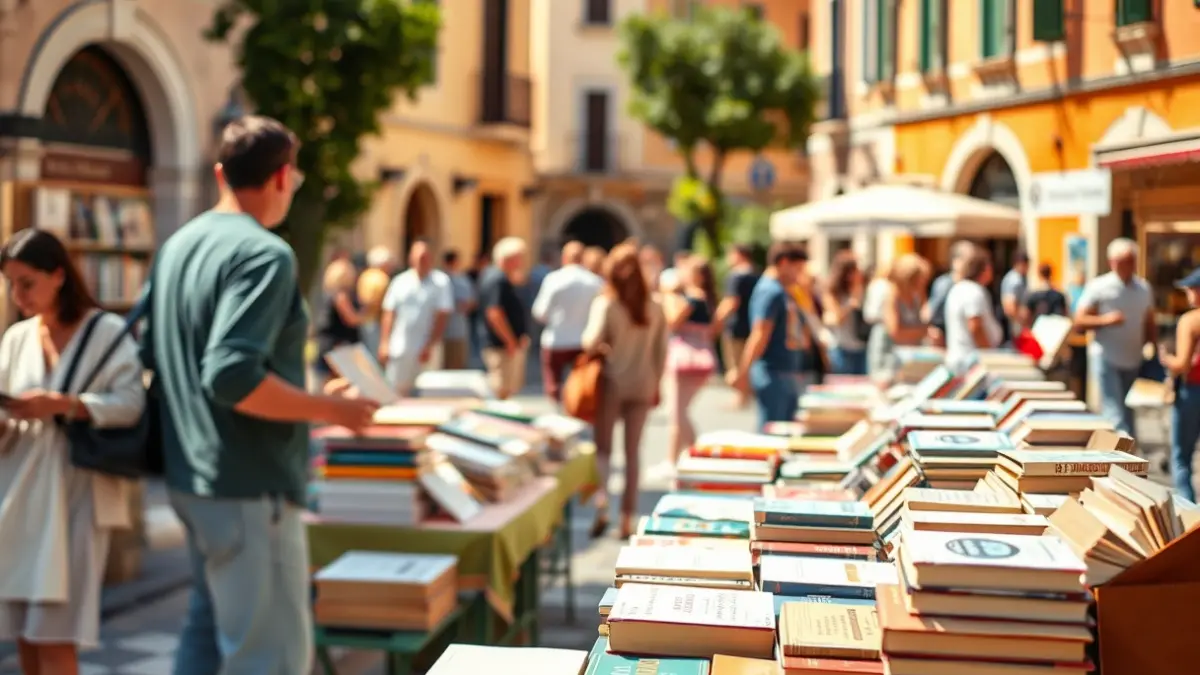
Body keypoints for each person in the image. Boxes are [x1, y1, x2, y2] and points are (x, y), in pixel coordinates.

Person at [145, 115, 378, 675]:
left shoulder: (178, 245)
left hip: (192, 477)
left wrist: (311, 395)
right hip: (250, 487)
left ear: (222, 173)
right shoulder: (264, 254)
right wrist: (333, 409)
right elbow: (230, 376)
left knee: (206, 635)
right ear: (281, 178)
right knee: (270, 658)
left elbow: (171, 357)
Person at [0, 229, 143, 675]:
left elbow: (131, 405)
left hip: (77, 492)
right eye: (10, 283)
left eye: (27, 282)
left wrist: (66, 404)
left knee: (56, 634)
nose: (16, 293)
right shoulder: (17, 337)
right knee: (23, 630)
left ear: (58, 275)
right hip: (19, 494)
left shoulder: (106, 331)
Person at [581, 243, 667, 540]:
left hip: (612, 384)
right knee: (633, 454)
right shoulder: (655, 306)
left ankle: (602, 505)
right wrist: (657, 384)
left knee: (603, 450)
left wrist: (605, 345)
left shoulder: (606, 304)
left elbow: (589, 342)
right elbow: (661, 353)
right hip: (643, 385)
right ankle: (627, 519)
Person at [1073, 237, 1155, 437]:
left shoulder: (1144, 288)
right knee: (1114, 412)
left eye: (1129, 260)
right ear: (1112, 262)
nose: (1126, 265)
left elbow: (1149, 321)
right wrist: (1105, 321)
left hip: (1132, 359)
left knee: (1126, 410)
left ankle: (1129, 458)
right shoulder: (1099, 286)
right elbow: (1079, 320)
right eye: (1121, 260)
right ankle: (1120, 456)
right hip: (1106, 357)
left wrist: (1152, 346)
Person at [730, 243, 807, 430]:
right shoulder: (769, 291)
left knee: (783, 431)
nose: (799, 275)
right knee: (772, 433)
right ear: (783, 263)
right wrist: (743, 371)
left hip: (784, 371)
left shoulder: (781, 290)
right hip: (773, 371)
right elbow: (759, 334)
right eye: (797, 269)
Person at [660, 257, 719, 472]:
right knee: (678, 412)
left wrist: (668, 294)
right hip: (697, 358)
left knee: (677, 412)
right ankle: (672, 459)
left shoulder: (694, 298)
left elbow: (672, 321)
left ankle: (697, 453)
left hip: (686, 358)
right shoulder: (705, 298)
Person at [378, 239, 454, 395]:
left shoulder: (440, 282)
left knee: (428, 391)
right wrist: (384, 342)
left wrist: (431, 344)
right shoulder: (400, 281)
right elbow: (389, 313)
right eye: (418, 257)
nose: (422, 261)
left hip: (426, 348)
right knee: (396, 389)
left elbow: (442, 315)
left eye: (425, 257)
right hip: (401, 346)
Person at [532, 241, 602, 405]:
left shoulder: (554, 279)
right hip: (583, 341)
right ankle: (576, 411)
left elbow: (540, 312)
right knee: (580, 383)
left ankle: (558, 414)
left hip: (556, 339)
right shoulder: (595, 282)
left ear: (564, 258)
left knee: (554, 384)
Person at [1159, 267, 1200, 502]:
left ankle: (1190, 513)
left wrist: (1166, 359)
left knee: (1181, 457)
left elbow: (1183, 364)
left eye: (1189, 289)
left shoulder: (1190, 320)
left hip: (1192, 391)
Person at [478, 237, 531, 399]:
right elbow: (494, 313)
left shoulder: (496, 277)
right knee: (501, 392)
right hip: (502, 346)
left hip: (502, 344)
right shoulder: (498, 280)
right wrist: (510, 341)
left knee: (505, 391)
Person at [866, 253, 930, 383]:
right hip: (888, 356)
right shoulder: (891, 295)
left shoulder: (915, 295)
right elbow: (896, 332)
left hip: (907, 356)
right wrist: (923, 332)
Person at [944, 249, 1003, 374]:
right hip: (970, 362)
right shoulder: (973, 291)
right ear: (985, 268)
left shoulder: (958, 288)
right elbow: (975, 326)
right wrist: (989, 356)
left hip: (960, 358)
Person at [715, 244, 759, 408]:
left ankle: (740, 397)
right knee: (746, 362)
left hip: (736, 326)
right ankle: (745, 395)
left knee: (735, 364)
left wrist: (716, 321)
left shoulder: (736, 276)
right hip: (752, 325)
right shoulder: (756, 275)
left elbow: (731, 301)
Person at [313, 258, 362, 390]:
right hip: (338, 347)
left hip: (329, 346)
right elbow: (351, 319)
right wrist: (368, 313)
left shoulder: (328, 294)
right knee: (335, 387)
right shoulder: (341, 295)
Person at [823, 252, 868, 375]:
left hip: (862, 348)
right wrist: (850, 305)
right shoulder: (833, 292)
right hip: (842, 348)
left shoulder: (863, 290)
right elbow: (836, 318)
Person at [926, 240, 976, 346]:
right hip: (944, 340)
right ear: (956, 261)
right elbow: (931, 311)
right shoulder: (945, 284)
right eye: (969, 261)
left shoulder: (970, 285)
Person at [356, 246, 397, 360]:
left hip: (365, 320)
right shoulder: (381, 278)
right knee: (375, 357)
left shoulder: (365, 275)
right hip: (375, 321)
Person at [441, 249, 476, 370]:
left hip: (439, 332)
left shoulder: (437, 280)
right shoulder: (460, 281)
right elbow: (468, 304)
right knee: (455, 368)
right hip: (456, 330)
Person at [1000, 250, 1030, 343]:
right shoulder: (1015, 280)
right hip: (1016, 324)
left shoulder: (1014, 278)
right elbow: (1009, 305)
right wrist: (1021, 320)